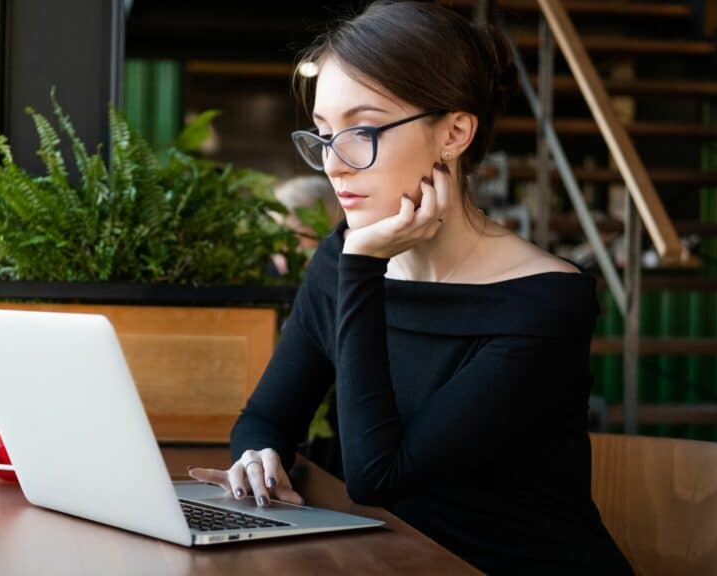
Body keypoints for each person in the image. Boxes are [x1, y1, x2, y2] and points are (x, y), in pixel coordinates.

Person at [188, 2, 633, 573]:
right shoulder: (342, 260)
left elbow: (381, 476)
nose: (335, 165)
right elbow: (265, 418)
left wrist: (365, 268)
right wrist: (258, 458)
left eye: (362, 131)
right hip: (393, 561)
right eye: (324, 135)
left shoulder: (545, 300)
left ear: (454, 132)